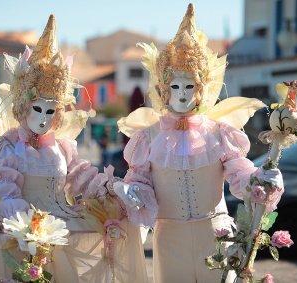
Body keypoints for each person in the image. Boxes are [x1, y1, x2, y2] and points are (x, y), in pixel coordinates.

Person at [0, 15, 147, 283]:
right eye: (38, 109)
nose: (44, 118)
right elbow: (4, 193)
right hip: (20, 238)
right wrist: (31, 227)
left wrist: (113, 190)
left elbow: (81, 178)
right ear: (23, 106)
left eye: (51, 111)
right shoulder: (6, 148)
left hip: (62, 232)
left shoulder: (61, 147)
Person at [114, 4, 284, 283]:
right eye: (175, 87)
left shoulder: (219, 132)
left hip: (215, 235)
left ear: (200, 89)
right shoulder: (149, 137)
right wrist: (131, 192)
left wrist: (259, 180)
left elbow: (239, 173)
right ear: (164, 91)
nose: (182, 94)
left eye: (189, 86)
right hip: (169, 239)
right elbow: (141, 181)